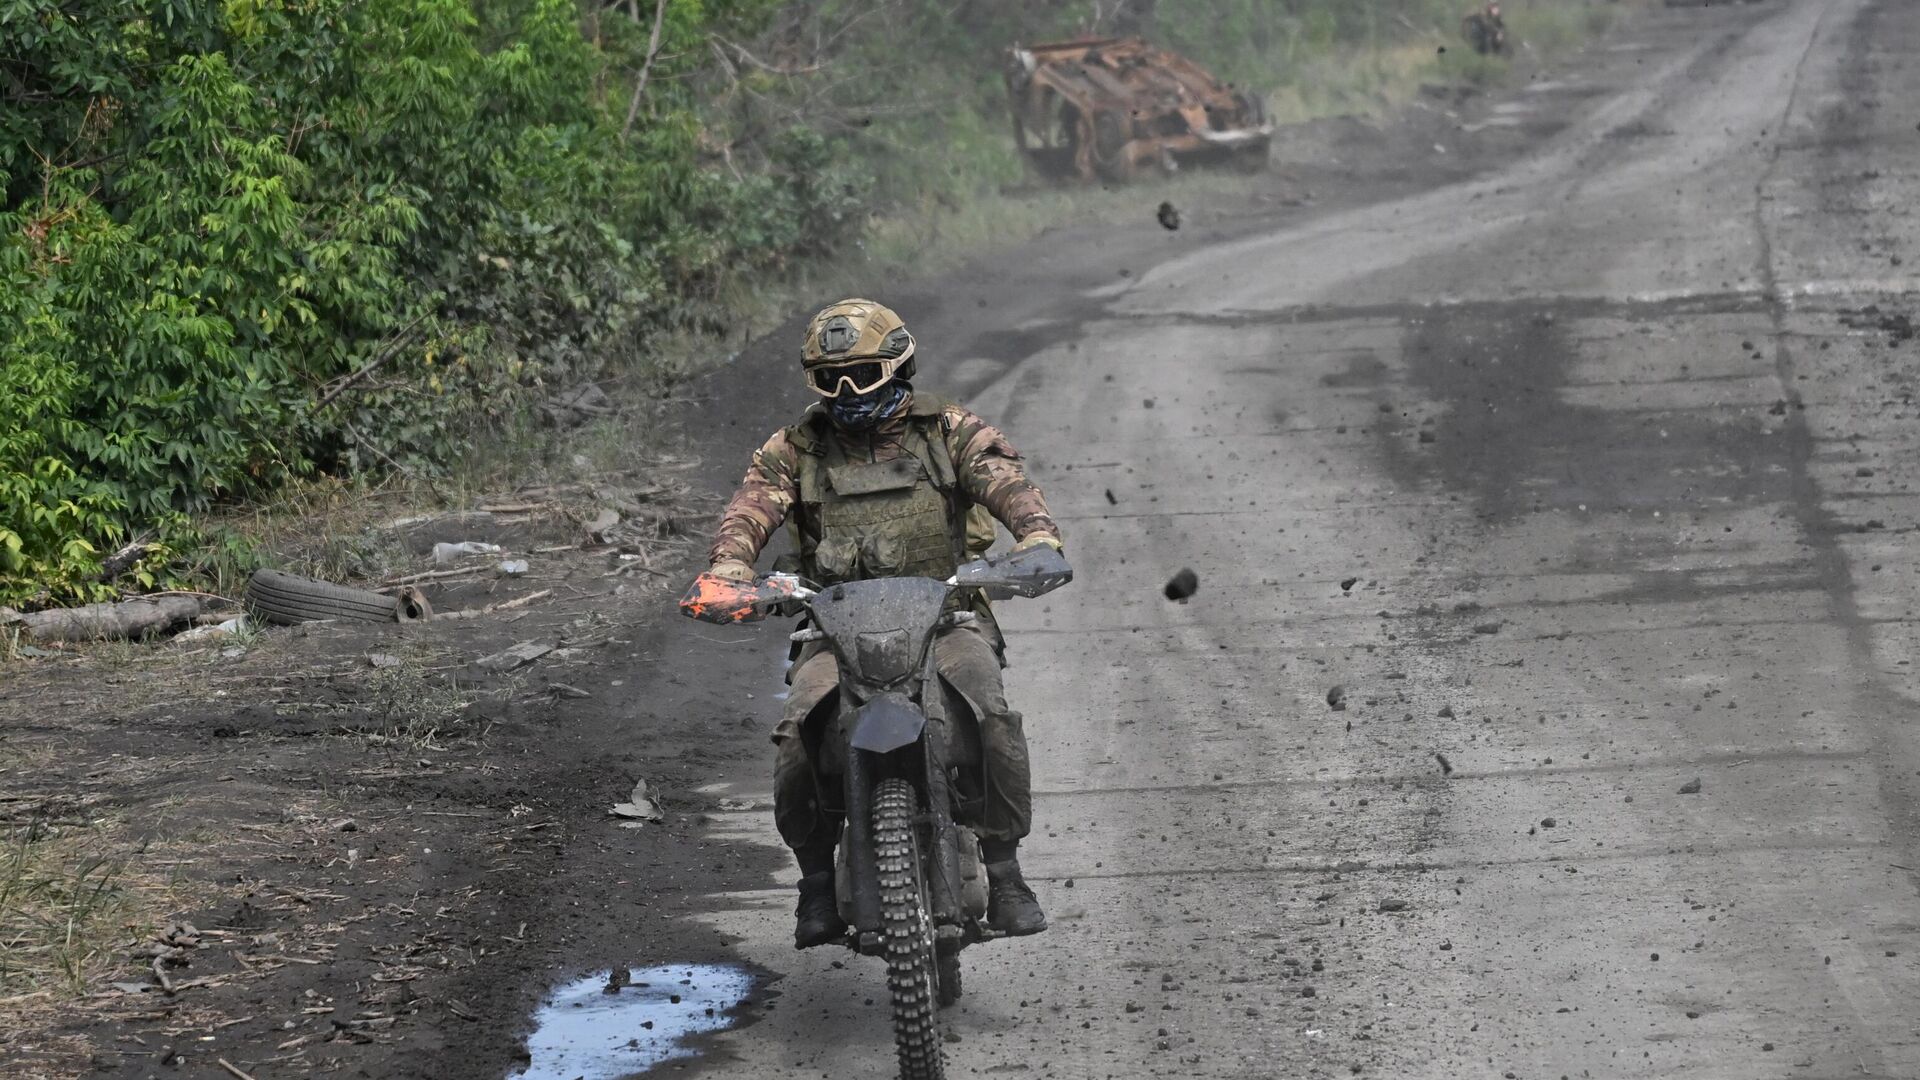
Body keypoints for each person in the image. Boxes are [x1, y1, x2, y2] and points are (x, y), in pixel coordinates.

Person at [703, 298, 1063, 948]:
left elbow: (1002, 478)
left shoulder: (946, 429)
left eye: (863, 374)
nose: (846, 391)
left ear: (897, 367)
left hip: (945, 616)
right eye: (831, 377)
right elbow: (752, 507)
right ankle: (815, 881)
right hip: (833, 629)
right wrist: (729, 569)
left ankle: (1006, 870)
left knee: (989, 712)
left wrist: (1035, 537)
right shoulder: (795, 449)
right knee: (797, 737)